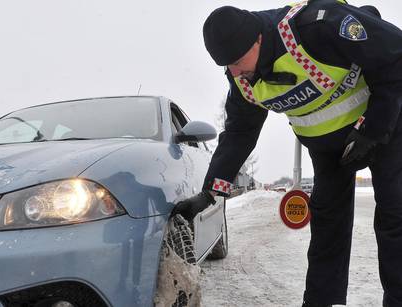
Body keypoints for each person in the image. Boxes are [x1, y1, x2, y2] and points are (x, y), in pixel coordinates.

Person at [172, 0, 402, 306]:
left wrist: (373, 130)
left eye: (238, 60)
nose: (235, 71)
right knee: (327, 225)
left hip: (384, 124)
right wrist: (212, 190)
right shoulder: (242, 79)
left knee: (395, 213)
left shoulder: (317, 26)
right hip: (328, 148)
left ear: (258, 38)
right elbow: (240, 132)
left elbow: (395, 58)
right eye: (226, 65)